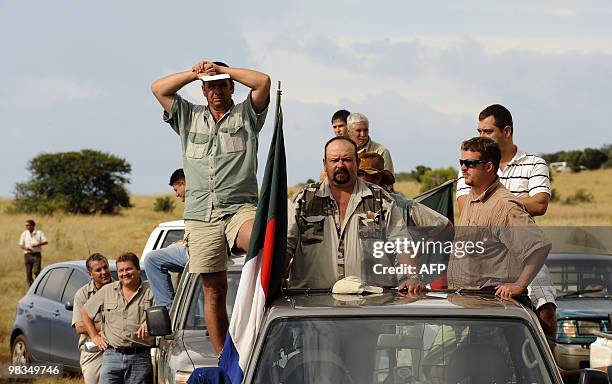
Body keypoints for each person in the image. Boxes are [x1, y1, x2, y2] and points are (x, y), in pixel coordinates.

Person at [151, 60, 271, 353]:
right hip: (200, 216)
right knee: (213, 290)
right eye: (211, 86)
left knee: (264, 243)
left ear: (232, 87)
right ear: (203, 91)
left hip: (239, 208)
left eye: (222, 84)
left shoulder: (246, 114)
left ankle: (270, 325)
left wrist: (222, 69)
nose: (216, 90)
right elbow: (158, 89)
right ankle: (224, 360)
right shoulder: (188, 116)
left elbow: (263, 82)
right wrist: (195, 74)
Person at [455, 104, 557, 337]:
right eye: (479, 131)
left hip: (521, 247)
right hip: (487, 256)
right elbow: (468, 209)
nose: (481, 136)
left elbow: (540, 204)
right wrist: (518, 200)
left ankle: (550, 366)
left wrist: (501, 202)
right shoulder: (471, 164)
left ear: (507, 131)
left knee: (546, 309)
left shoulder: (533, 163)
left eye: (488, 131)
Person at [286, 137, 415, 290]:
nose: (340, 165)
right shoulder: (303, 200)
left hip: (373, 301)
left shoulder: (380, 199)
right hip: (312, 303)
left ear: (357, 163)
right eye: (334, 160)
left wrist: (411, 277)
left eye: (346, 159)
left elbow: (401, 244)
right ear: (325, 164)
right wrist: (276, 280)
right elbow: (286, 246)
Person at [447, 137, 551, 299]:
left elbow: (539, 247)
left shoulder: (504, 205)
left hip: (490, 307)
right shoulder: (471, 198)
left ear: (488, 167)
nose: (463, 168)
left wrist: (519, 285)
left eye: (470, 164)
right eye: (461, 162)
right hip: (466, 302)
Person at [81, 252, 155, 384]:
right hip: (112, 356)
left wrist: (150, 322)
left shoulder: (151, 291)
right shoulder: (107, 291)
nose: (124, 273)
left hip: (140, 358)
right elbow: (85, 312)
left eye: (128, 269)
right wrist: (94, 336)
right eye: (121, 270)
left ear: (138, 269)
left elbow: (165, 311)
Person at [143, 169, 188, 309]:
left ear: (182, 183)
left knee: (152, 259)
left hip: (198, 251)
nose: (176, 194)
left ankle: (166, 309)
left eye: (176, 189)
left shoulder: (195, 201)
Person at [72, 253, 113, 384]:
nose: (104, 272)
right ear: (90, 274)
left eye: (105, 267)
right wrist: (110, 326)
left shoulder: (121, 288)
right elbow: (80, 326)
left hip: (117, 349)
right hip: (93, 352)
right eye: (98, 270)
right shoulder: (82, 294)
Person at [18, 219, 48, 286]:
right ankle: (31, 287)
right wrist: (26, 248)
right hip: (27, 254)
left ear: (33, 225)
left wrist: (37, 245)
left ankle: (37, 285)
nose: (27, 227)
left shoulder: (39, 233)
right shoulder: (24, 233)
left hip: (36, 254)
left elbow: (46, 241)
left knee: (36, 271)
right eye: (26, 225)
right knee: (28, 273)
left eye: (28, 225)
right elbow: (20, 244)